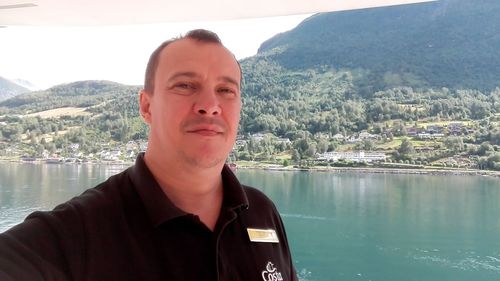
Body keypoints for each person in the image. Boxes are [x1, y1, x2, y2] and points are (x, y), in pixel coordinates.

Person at [0, 29, 297, 281]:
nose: (210, 104)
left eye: (226, 90)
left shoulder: (262, 211)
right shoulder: (77, 233)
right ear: (146, 106)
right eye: (185, 85)